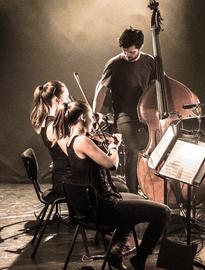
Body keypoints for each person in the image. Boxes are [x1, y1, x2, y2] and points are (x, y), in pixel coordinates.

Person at [54, 100, 170, 270]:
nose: (93, 120)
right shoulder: (83, 141)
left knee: (135, 199)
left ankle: (116, 250)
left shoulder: (71, 139)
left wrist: (102, 141)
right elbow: (111, 164)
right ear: (81, 117)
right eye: (90, 116)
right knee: (163, 211)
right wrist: (114, 146)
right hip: (104, 207)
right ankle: (140, 258)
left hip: (94, 204)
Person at [93, 26, 155, 193]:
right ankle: (133, 193)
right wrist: (96, 113)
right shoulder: (114, 64)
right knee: (132, 150)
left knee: (151, 149)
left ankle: (152, 189)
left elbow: (157, 85)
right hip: (124, 114)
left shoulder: (149, 61)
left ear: (140, 48)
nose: (128, 55)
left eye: (132, 52)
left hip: (147, 114)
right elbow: (101, 89)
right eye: (125, 51)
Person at [30, 81, 72, 195]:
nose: (69, 101)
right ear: (56, 99)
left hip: (64, 175)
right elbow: (71, 153)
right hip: (67, 180)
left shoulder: (50, 121)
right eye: (66, 97)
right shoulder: (54, 125)